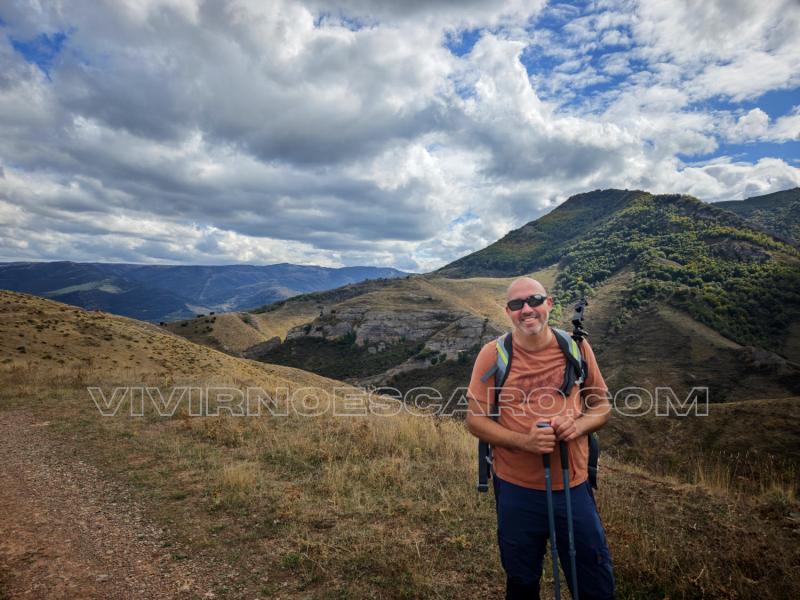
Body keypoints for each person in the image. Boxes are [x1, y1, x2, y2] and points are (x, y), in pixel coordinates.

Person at [466, 277, 615, 600]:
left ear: (549, 303)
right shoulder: (493, 355)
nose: (526, 310)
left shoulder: (576, 347)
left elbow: (601, 406)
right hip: (516, 488)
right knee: (521, 579)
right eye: (516, 304)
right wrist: (525, 442)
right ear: (508, 311)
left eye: (534, 300)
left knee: (593, 579)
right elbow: (475, 420)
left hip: (573, 484)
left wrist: (578, 426)